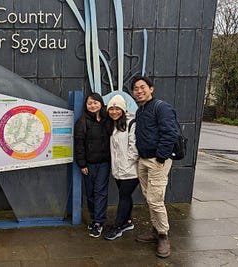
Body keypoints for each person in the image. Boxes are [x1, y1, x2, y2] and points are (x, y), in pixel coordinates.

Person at [131, 75, 178, 258]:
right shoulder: (140, 110)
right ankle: (154, 229)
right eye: (135, 88)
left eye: (142, 87)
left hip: (157, 161)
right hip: (143, 160)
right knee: (149, 197)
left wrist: (160, 157)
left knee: (155, 199)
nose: (139, 91)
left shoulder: (161, 107)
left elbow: (170, 133)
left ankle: (163, 235)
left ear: (151, 89)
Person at [74, 93, 111, 238]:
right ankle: (94, 217)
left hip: (104, 163)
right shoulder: (82, 122)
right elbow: (79, 145)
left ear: (101, 103)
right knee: (90, 193)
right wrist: (82, 164)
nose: (93, 105)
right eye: (90, 103)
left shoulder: (108, 119)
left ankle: (98, 222)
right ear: (86, 105)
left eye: (96, 102)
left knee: (100, 192)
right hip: (89, 164)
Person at [103, 94, 139, 241]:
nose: (114, 111)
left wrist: (126, 164)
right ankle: (127, 222)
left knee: (123, 196)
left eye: (117, 108)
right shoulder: (113, 124)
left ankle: (117, 227)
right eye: (111, 109)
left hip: (130, 170)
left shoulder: (132, 123)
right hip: (118, 169)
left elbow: (134, 148)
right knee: (126, 195)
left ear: (123, 110)